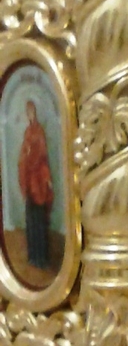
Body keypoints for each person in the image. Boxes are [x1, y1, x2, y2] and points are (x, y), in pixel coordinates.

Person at [17, 98, 52, 273]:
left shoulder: (39, 132)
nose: (29, 115)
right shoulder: (27, 132)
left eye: (31, 111)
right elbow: (23, 156)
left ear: (35, 113)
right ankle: (33, 256)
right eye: (27, 112)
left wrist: (46, 178)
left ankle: (41, 258)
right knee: (31, 220)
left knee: (39, 220)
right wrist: (25, 156)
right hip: (29, 181)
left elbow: (42, 156)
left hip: (38, 182)